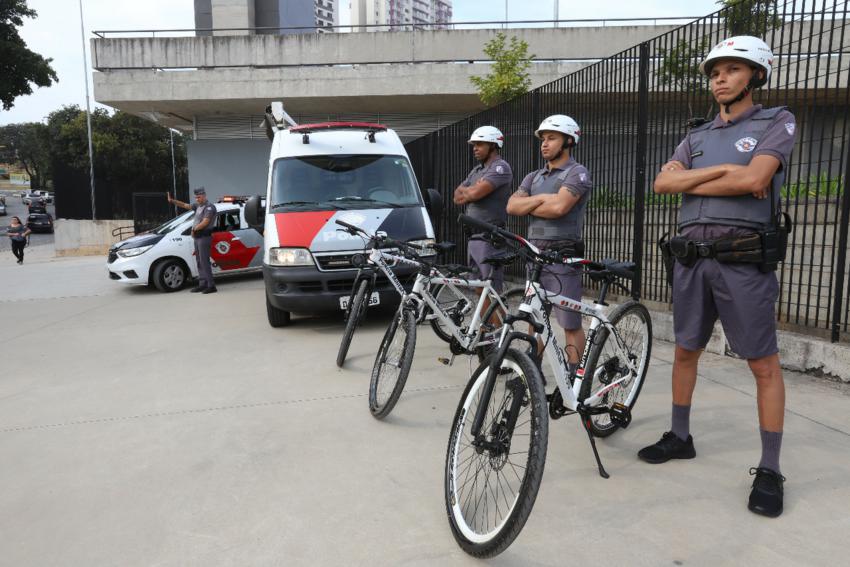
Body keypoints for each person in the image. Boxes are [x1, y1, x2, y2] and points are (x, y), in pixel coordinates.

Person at [639, 36, 797, 518]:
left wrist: (715, 174)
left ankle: (770, 468)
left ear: (756, 74)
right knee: (686, 350)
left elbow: (756, 180)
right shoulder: (697, 135)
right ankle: (679, 436)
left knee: (762, 363)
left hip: (742, 261)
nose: (720, 78)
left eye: (732, 69)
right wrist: (728, 168)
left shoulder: (777, 121)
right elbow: (663, 182)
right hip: (690, 260)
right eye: (715, 72)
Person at [506, 115, 592, 373]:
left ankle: (577, 375)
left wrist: (531, 204)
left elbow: (560, 207)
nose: (544, 144)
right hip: (535, 256)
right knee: (534, 317)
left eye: (551, 138)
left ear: (569, 140)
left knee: (569, 321)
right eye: (543, 139)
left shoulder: (577, 173)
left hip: (563, 256)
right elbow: (511, 206)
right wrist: (544, 198)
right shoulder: (533, 177)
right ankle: (532, 371)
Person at [453, 126, 513, 311]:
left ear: (493, 145)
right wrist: (470, 191)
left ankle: (500, 335)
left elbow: (476, 193)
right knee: (479, 288)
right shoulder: (477, 170)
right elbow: (457, 196)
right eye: (474, 145)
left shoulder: (500, 167)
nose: (475, 148)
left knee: (492, 291)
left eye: (479, 144)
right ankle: (488, 332)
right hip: (475, 237)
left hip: (490, 237)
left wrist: (471, 191)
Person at [167, 188, 218, 294]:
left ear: (204, 196)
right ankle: (202, 284)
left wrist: (194, 229)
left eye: (199, 197)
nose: (197, 199)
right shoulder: (198, 206)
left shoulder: (209, 207)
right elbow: (185, 205)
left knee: (204, 262)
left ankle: (211, 285)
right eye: (196, 197)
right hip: (198, 237)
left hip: (204, 237)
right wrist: (173, 201)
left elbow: (205, 222)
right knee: (199, 262)